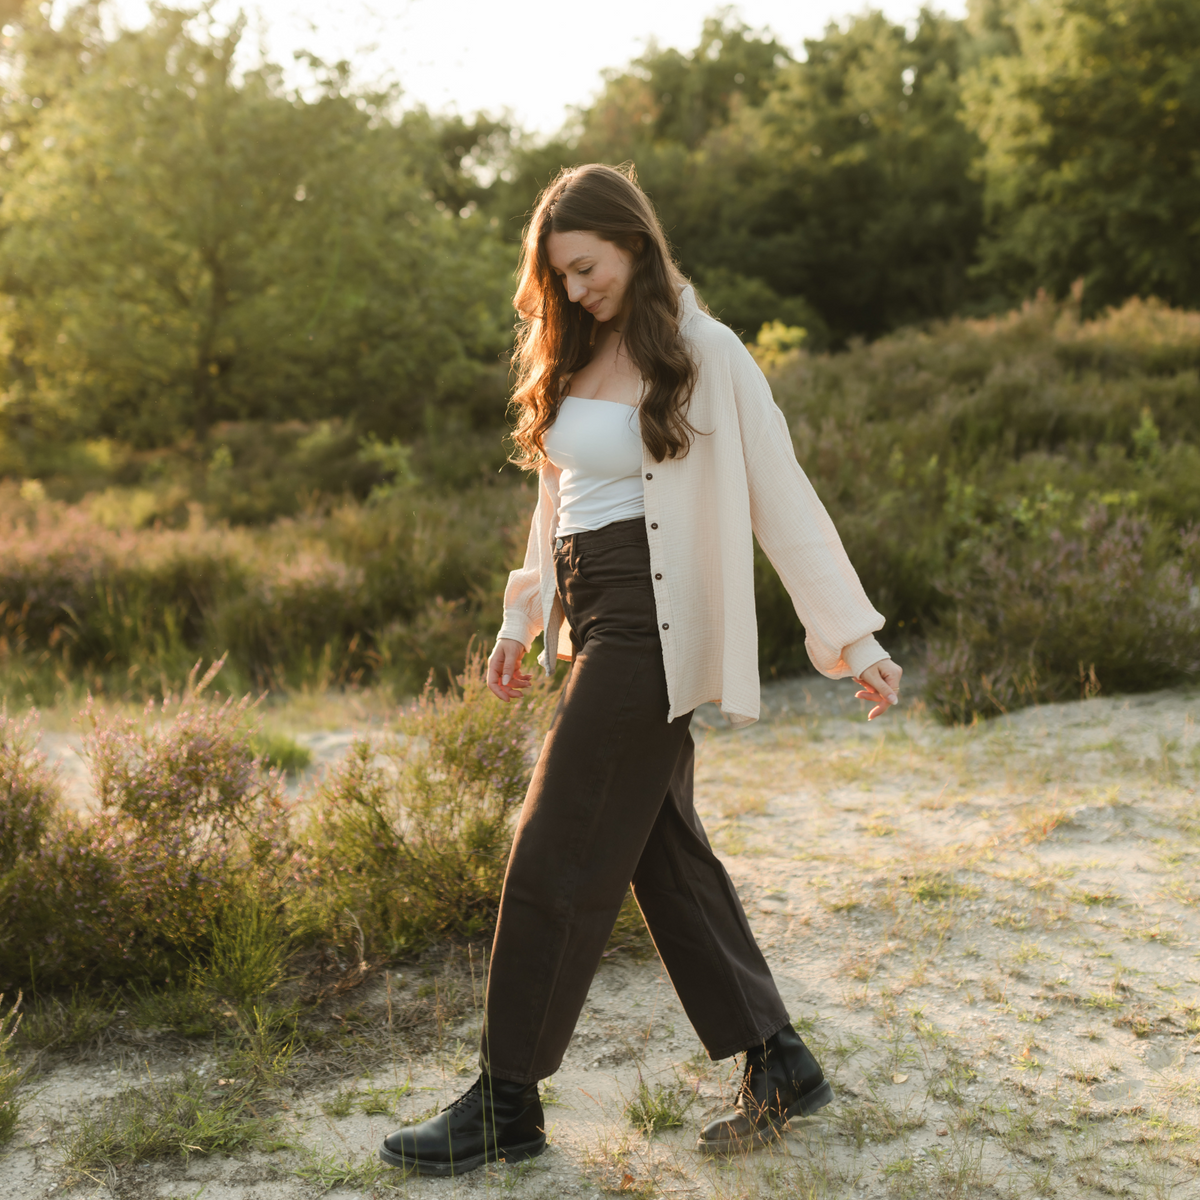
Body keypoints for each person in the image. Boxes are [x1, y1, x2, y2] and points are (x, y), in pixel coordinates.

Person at [380, 163, 903, 1177]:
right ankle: (781, 1061)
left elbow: (781, 494)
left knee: (554, 845)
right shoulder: (575, 348)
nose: (576, 290)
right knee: (661, 850)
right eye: (560, 277)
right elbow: (558, 499)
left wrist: (854, 637)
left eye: (588, 267)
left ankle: (505, 1101)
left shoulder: (705, 352)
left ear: (633, 242)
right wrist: (523, 613)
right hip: (594, 610)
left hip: (655, 622)